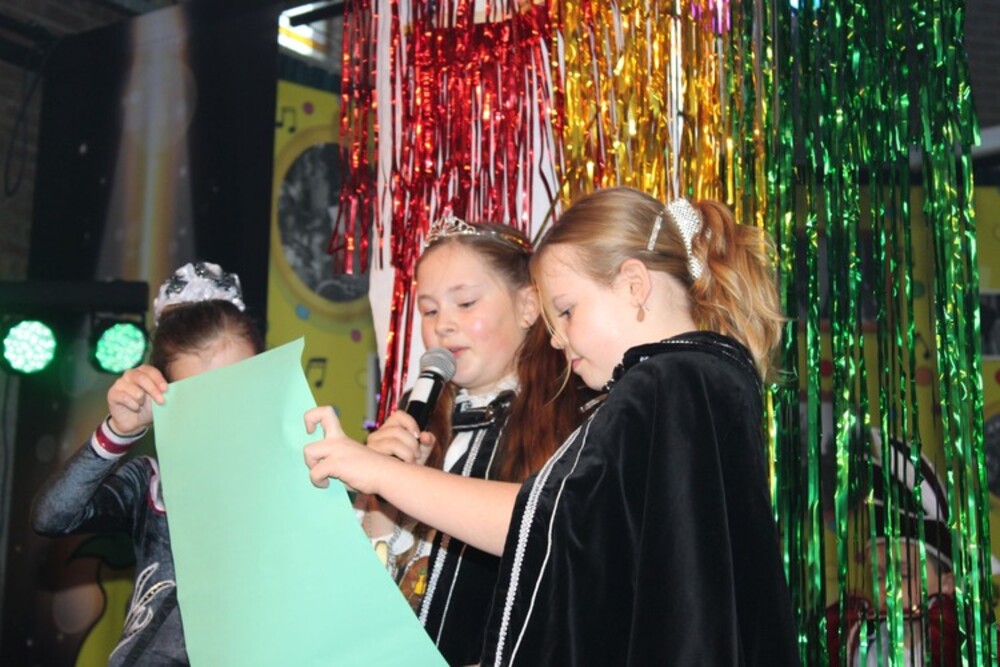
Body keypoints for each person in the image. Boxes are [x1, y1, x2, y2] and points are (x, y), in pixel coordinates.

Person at [304, 186, 799, 665]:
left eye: (566, 311)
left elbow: (550, 522)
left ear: (634, 285)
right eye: (429, 310)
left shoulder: (670, 380)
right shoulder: (693, 380)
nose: (557, 339)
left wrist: (381, 472)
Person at [355, 214, 593, 666]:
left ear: (527, 305)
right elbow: (373, 601)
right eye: (429, 311)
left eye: (465, 303)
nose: (443, 325)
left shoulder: (576, 418)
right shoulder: (420, 418)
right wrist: (380, 501)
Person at [31, 262, 263, 666]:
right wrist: (117, 432)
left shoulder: (310, 466)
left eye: (235, 386)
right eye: (198, 394)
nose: (221, 409)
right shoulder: (153, 483)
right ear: (164, 393)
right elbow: (52, 516)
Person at [826, 432, 959, 666]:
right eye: (878, 575)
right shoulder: (855, 651)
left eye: (904, 574)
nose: (886, 588)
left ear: (947, 583)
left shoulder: (968, 652)